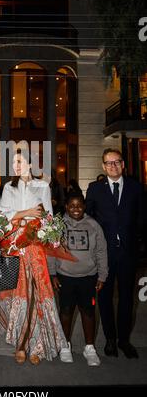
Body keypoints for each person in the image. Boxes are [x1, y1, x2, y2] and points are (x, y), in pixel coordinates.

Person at [0, 151, 69, 365]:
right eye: (13, 163)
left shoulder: (42, 186)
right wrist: (25, 213)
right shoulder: (8, 187)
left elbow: (46, 215)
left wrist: (52, 235)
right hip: (14, 244)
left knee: (36, 292)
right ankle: (21, 345)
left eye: (19, 161)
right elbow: (3, 215)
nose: (15, 166)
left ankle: (37, 345)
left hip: (35, 245)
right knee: (18, 292)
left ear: (30, 163)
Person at [86, 148, 144, 359]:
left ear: (123, 164)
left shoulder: (136, 187)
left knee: (128, 298)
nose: (113, 166)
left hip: (128, 253)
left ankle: (124, 341)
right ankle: (110, 339)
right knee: (105, 297)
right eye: (109, 163)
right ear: (103, 166)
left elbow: (142, 216)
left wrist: (135, 237)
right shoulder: (94, 189)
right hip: (104, 255)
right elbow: (88, 219)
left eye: (117, 162)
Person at [49, 192, 108, 366]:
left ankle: (89, 347)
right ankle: (65, 345)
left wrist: (102, 275)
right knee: (66, 311)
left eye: (79, 205)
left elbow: (101, 251)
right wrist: (52, 273)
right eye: (72, 205)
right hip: (65, 277)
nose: (76, 208)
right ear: (66, 206)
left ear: (85, 206)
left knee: (88, 312)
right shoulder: (58, 226)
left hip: (88, 277)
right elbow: (52, 250)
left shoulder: (94, 225)